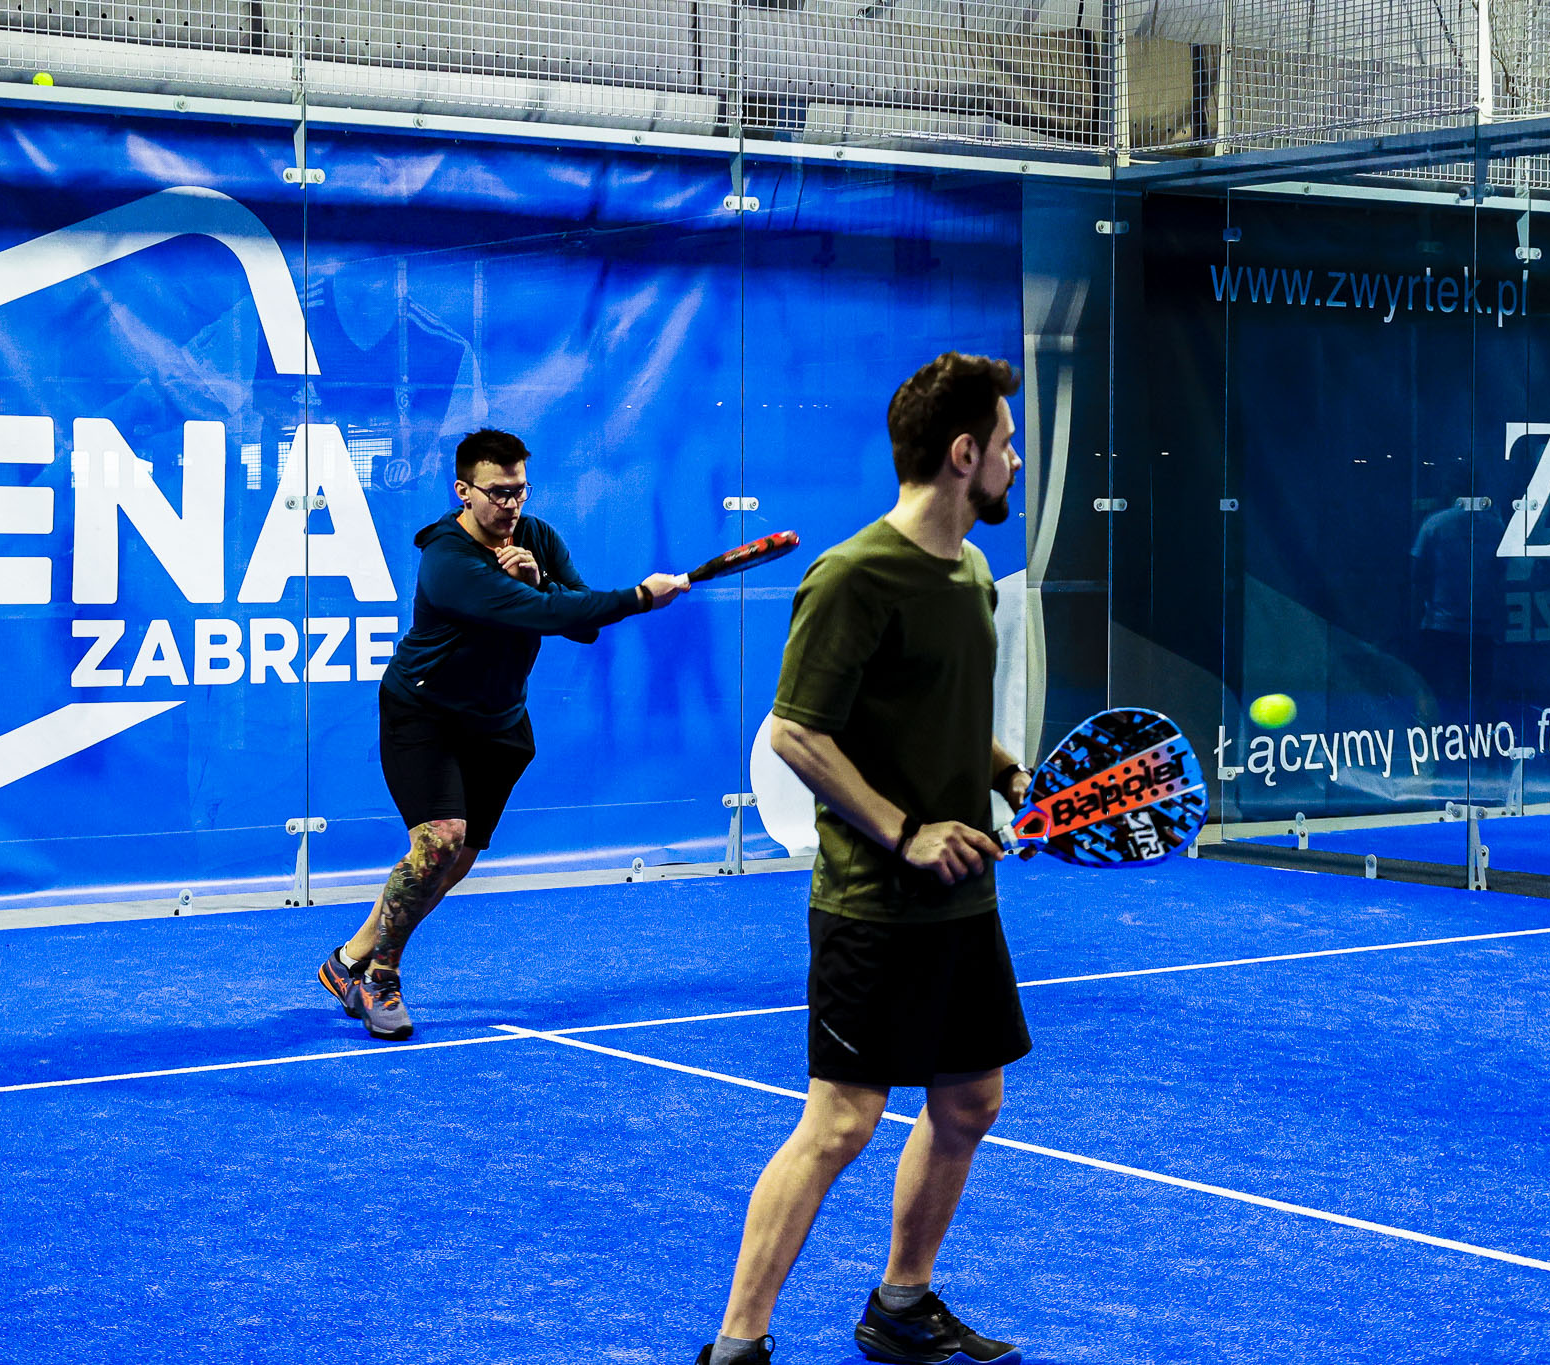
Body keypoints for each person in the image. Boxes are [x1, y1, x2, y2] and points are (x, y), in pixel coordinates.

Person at [699, 353, 1031, 1365]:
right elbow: (799, 731)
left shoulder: (969, 571)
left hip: (961, 899)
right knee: (841, 1121)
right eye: (1005, 444)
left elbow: (929, 711)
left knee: (970, 1100)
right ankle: (736, 1344)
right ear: (961, 453)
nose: (1014, 463)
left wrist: (998, 767)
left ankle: (899, 1302)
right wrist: (903, 830)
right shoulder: (851, 576)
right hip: (871, 903)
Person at [317, 428, 690, 1041]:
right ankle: (380, 977)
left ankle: (349, 960)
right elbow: (552, 614)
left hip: (500, 723)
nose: (511, 504)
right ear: (463, 491)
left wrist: (540, 576)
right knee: (439, 842)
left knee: (451, 864)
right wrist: (640, 597)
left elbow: (579, 621)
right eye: (497, 492)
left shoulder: (536, 536)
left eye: (520, 491)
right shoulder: (447, 560)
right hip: (425, 715)